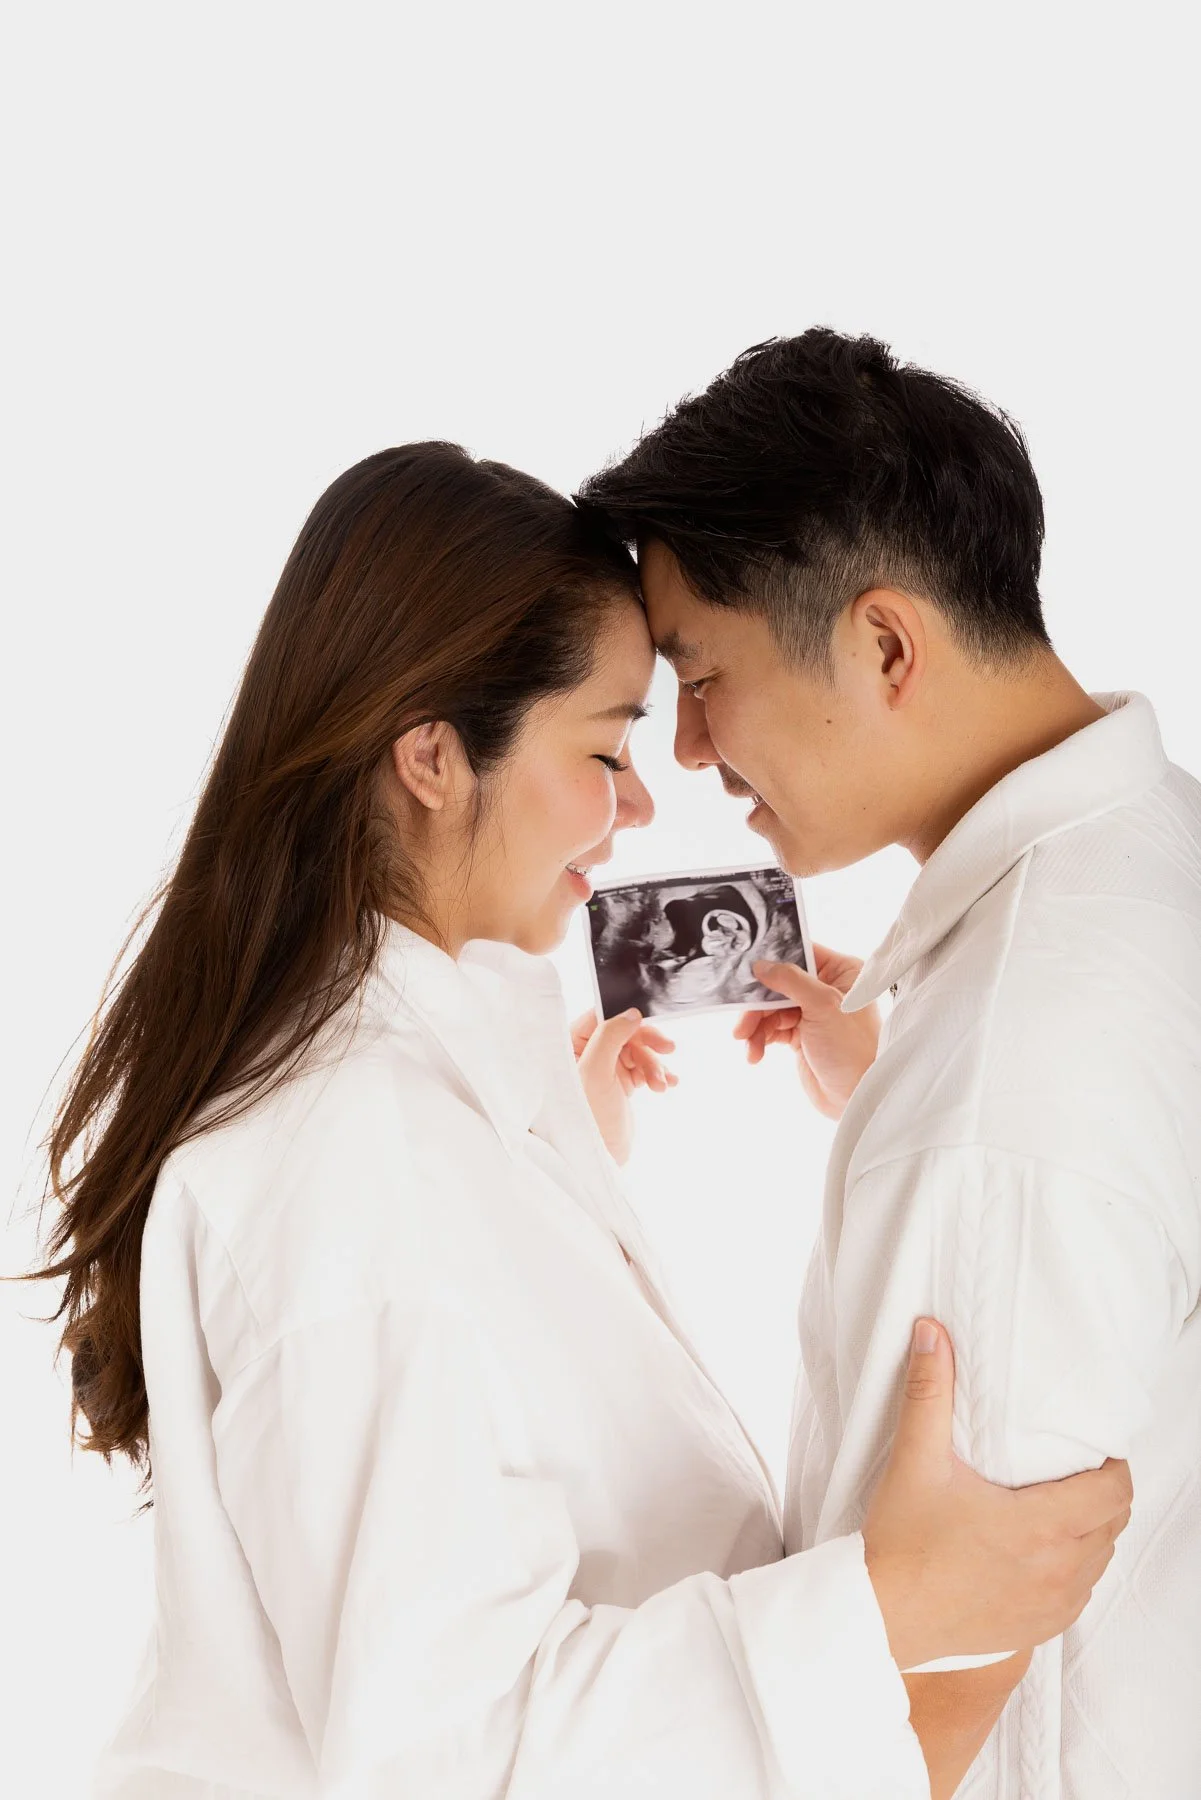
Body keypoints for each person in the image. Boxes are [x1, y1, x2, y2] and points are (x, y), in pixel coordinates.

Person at [34, 445, 1131, 1800]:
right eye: (606, 748)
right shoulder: (355, 1158)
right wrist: (883, 1609)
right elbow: (449, 1757)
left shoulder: (448, 1117)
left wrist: (555, 1181)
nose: (640, 801)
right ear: (433, 756)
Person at [580, 329, 1201, 1799]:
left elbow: (929, 1702)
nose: (681, 748)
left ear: (883, 646)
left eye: (699, 672)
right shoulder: (1156, 856)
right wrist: (912, 1072)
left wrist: (947, 1112)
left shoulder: (1003, 1081)